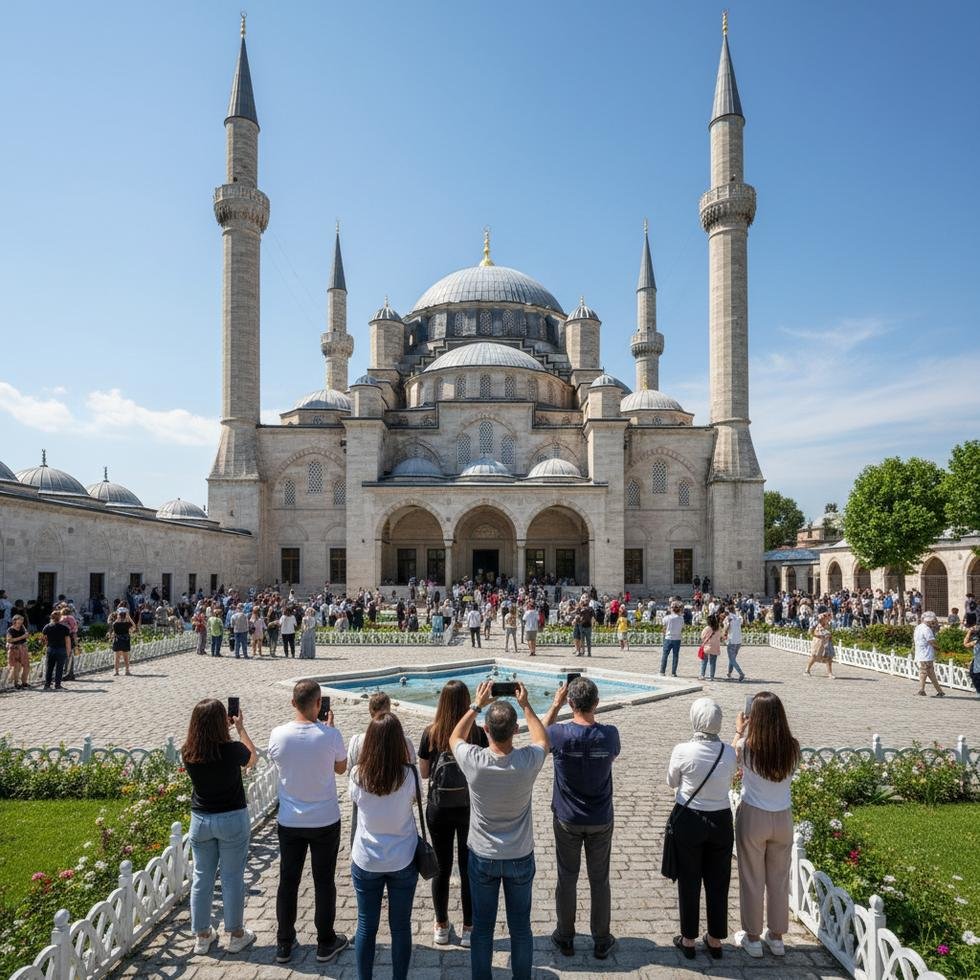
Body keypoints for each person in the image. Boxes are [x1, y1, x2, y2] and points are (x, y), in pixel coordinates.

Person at [450, 681, 549, 980]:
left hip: (483, 855)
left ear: (486, 730)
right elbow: (542, 738)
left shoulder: (475, 762)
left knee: (482, 928)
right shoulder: (527, 761)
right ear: (515, 730)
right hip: (519, 854)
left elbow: (454, 736)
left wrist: (476, 704)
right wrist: (526, 705)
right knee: (520, 928)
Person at [268, 680, 349, 964]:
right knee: (324, 881)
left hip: (290, 820)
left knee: (288, 881)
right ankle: (325, 941)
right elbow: (341, 768)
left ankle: (284, 943)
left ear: (292, 703)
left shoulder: (278, 735)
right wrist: (328, 730)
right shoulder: (330, 735)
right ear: (319, 704)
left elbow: (278, 763)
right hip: (324, 819)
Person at [542, 677, 620, 960]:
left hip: (567, 817)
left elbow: (539, 735)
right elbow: (610, 759)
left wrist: (554, 704)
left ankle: (565, 936)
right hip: (600, 816)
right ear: (596, 703)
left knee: (567, 877)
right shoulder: (609, 734)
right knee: (600, 879)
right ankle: (601, 939)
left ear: (570, 703)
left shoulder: (560, 734)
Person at [181, 698, 257, 955]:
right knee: (232, 876)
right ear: (221, 721)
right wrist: (240, 728)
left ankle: (202, 935)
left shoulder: (188, 751)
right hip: (231, 818)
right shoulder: (231, 749)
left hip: (201, 819)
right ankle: (235, 934)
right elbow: (252, 759)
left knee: (202, 877)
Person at [348, 714, 420, 979]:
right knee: (400, 927)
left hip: (367, 858)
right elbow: (414, 801)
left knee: (366, 925)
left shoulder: (358, 774)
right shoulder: (409, 775)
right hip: (402, 857)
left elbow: (355, 801)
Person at [418, 680, 488, 948]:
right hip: (468, 806)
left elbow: (424, 773)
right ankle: (469, 926)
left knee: (442, 868)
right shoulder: (476, 734)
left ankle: (441, 925)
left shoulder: (431, 732)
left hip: (438, 808)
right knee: (468, 867)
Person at [666, 698, 737, 960]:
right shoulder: (729, 752)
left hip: (690, 818)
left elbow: (671, 780)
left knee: (689, 878)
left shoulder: (683, 750)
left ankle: (688, 938)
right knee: (718, 880)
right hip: (720, 819)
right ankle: (716, 939)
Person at [731, 691, 799, 957]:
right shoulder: (792, 746)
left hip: (754, 814)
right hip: (782, 816)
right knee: (779, 879)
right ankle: (777, 936)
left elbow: (730, 758)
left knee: (752, 878)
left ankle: (752, 937)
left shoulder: (747, 746)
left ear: (753, 717)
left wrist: (738, 730)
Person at [914, 611, 944, 697]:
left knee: (927, 672)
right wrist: (939, 649)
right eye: (932, 621)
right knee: (927, 672)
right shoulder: (926, 629)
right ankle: (924, 690)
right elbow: (931, 641)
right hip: (926, 654)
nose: (933, 623)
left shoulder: (918, 627)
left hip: (922, 653)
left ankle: (923, 690)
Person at [41, 609, 73, 691]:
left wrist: (46, 645)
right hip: (61, 649)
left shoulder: (47, 627)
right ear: (60, 618)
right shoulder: (64, 628)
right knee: (59, 667)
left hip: (51, 648)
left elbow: (43, 639)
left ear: (51, 617)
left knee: (49, 667)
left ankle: (47, 684)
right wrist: (68, 651)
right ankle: (57, 684)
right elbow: (67, 641)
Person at [805, 610, 836, 678]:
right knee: (814, 657)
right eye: (825, 618)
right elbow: (811, 633)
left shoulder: (829, 625)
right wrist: (819, 635)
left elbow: (830, 633)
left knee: (829, 658)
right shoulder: (816, 625)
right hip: (818, 643)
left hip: (827, 643)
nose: (827, 619)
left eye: (827, 618)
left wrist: (830, 637)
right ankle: (807, 669)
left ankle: (830, 673)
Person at [6, 614, 31, 689]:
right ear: (14, 621)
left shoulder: (22, 627)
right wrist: (22, 637)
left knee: (27, 666)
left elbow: (25, 635)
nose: (21, 623)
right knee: (17, 667)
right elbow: (9, 640)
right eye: (19, 622)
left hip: (23, 648)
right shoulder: (10, 630)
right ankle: (16, 683)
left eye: (22, 622)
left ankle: (24, 682)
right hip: (15, 649)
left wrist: (26, 636)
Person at [660, 602, 684, 676]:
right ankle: (673, 672)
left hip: (668, 637)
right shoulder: (681, 618)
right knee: (675, 656)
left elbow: (663, 628)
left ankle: (662, 671)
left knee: (665, 655)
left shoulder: (667, 618)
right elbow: (682, 628)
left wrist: (664, 634)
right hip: (677, 638)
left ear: (671, 609)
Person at [723, 606, 745, 681]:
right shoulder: (738, 617)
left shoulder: (727, 618)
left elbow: (726, 629)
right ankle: (729, 673)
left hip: (731, 640)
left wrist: (724, 633)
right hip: (738, 641)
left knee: (732, 659)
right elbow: (743, 623)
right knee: (732, 658)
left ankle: (741, 673)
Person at [112, 606, 135, 676]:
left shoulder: (115, 624)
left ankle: (116, 672)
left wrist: (117, 618)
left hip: (118, 641)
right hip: (125, 640)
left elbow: (113, 626)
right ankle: (127, 671)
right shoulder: (127, 624)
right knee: (126, 657)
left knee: (117, 657)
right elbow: (134, 627)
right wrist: (129, 618)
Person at [698, 614, 722, 681]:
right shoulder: (718, 628)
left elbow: (702, 636)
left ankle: (702, 675)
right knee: (713, 662)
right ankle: (712, 676)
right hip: (715, 647)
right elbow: (720, 636)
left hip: (707, 647)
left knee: (704, 661)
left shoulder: (707, 628)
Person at [964, 622, 980, 698]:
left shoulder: (976, 642)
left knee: (975, 675)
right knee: (973, 674)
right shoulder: (976, 642)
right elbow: (966, 644)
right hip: (976, 661)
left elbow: (965, 644)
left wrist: (969, 632)